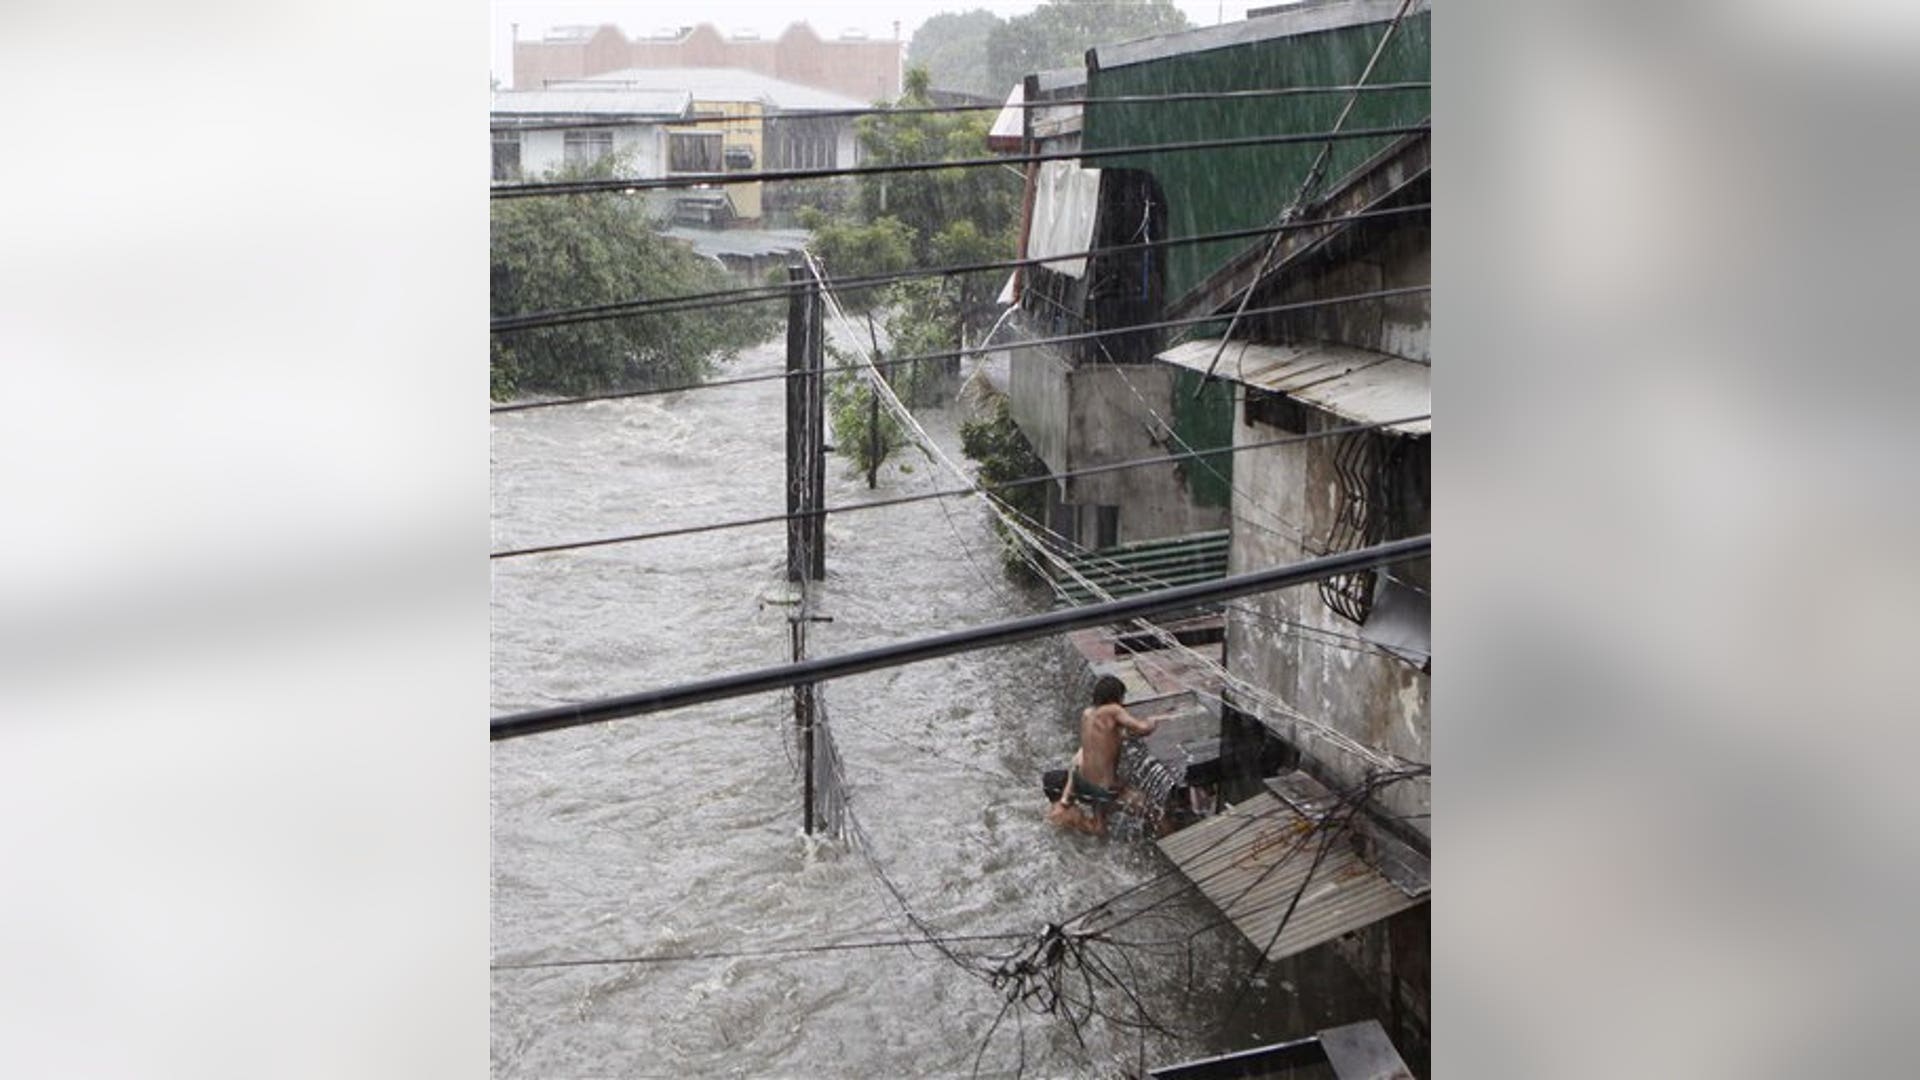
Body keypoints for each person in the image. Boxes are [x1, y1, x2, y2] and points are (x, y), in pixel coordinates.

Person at [1049, 675, 1158, 835]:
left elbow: (1102, 740)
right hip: (1104, 790)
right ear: (1115, 697)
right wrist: (1152, 721)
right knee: (1154, 812)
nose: (1123, 701)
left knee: (1100, 827)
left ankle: (1090, 823)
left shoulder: (1087, 713)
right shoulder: (1114, 710)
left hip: (1083, 784)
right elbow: (1143, 729)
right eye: (1122, 697)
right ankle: (1073, 819)